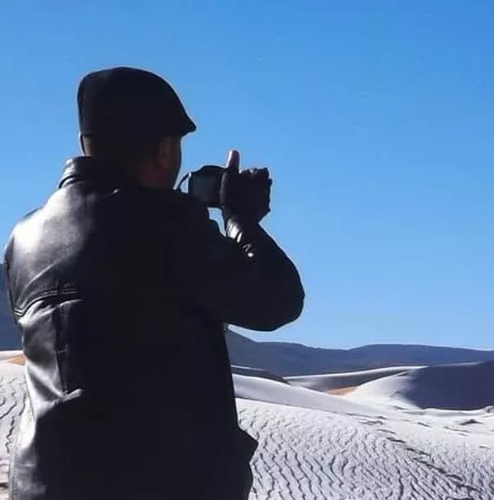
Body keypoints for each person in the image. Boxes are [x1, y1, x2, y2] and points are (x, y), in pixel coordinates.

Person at [2, 67, 305, 500]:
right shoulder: (166, 224)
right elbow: (278, 300)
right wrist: (241, 220)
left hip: (41, 485)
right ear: (164, 150)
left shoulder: (24, 237)